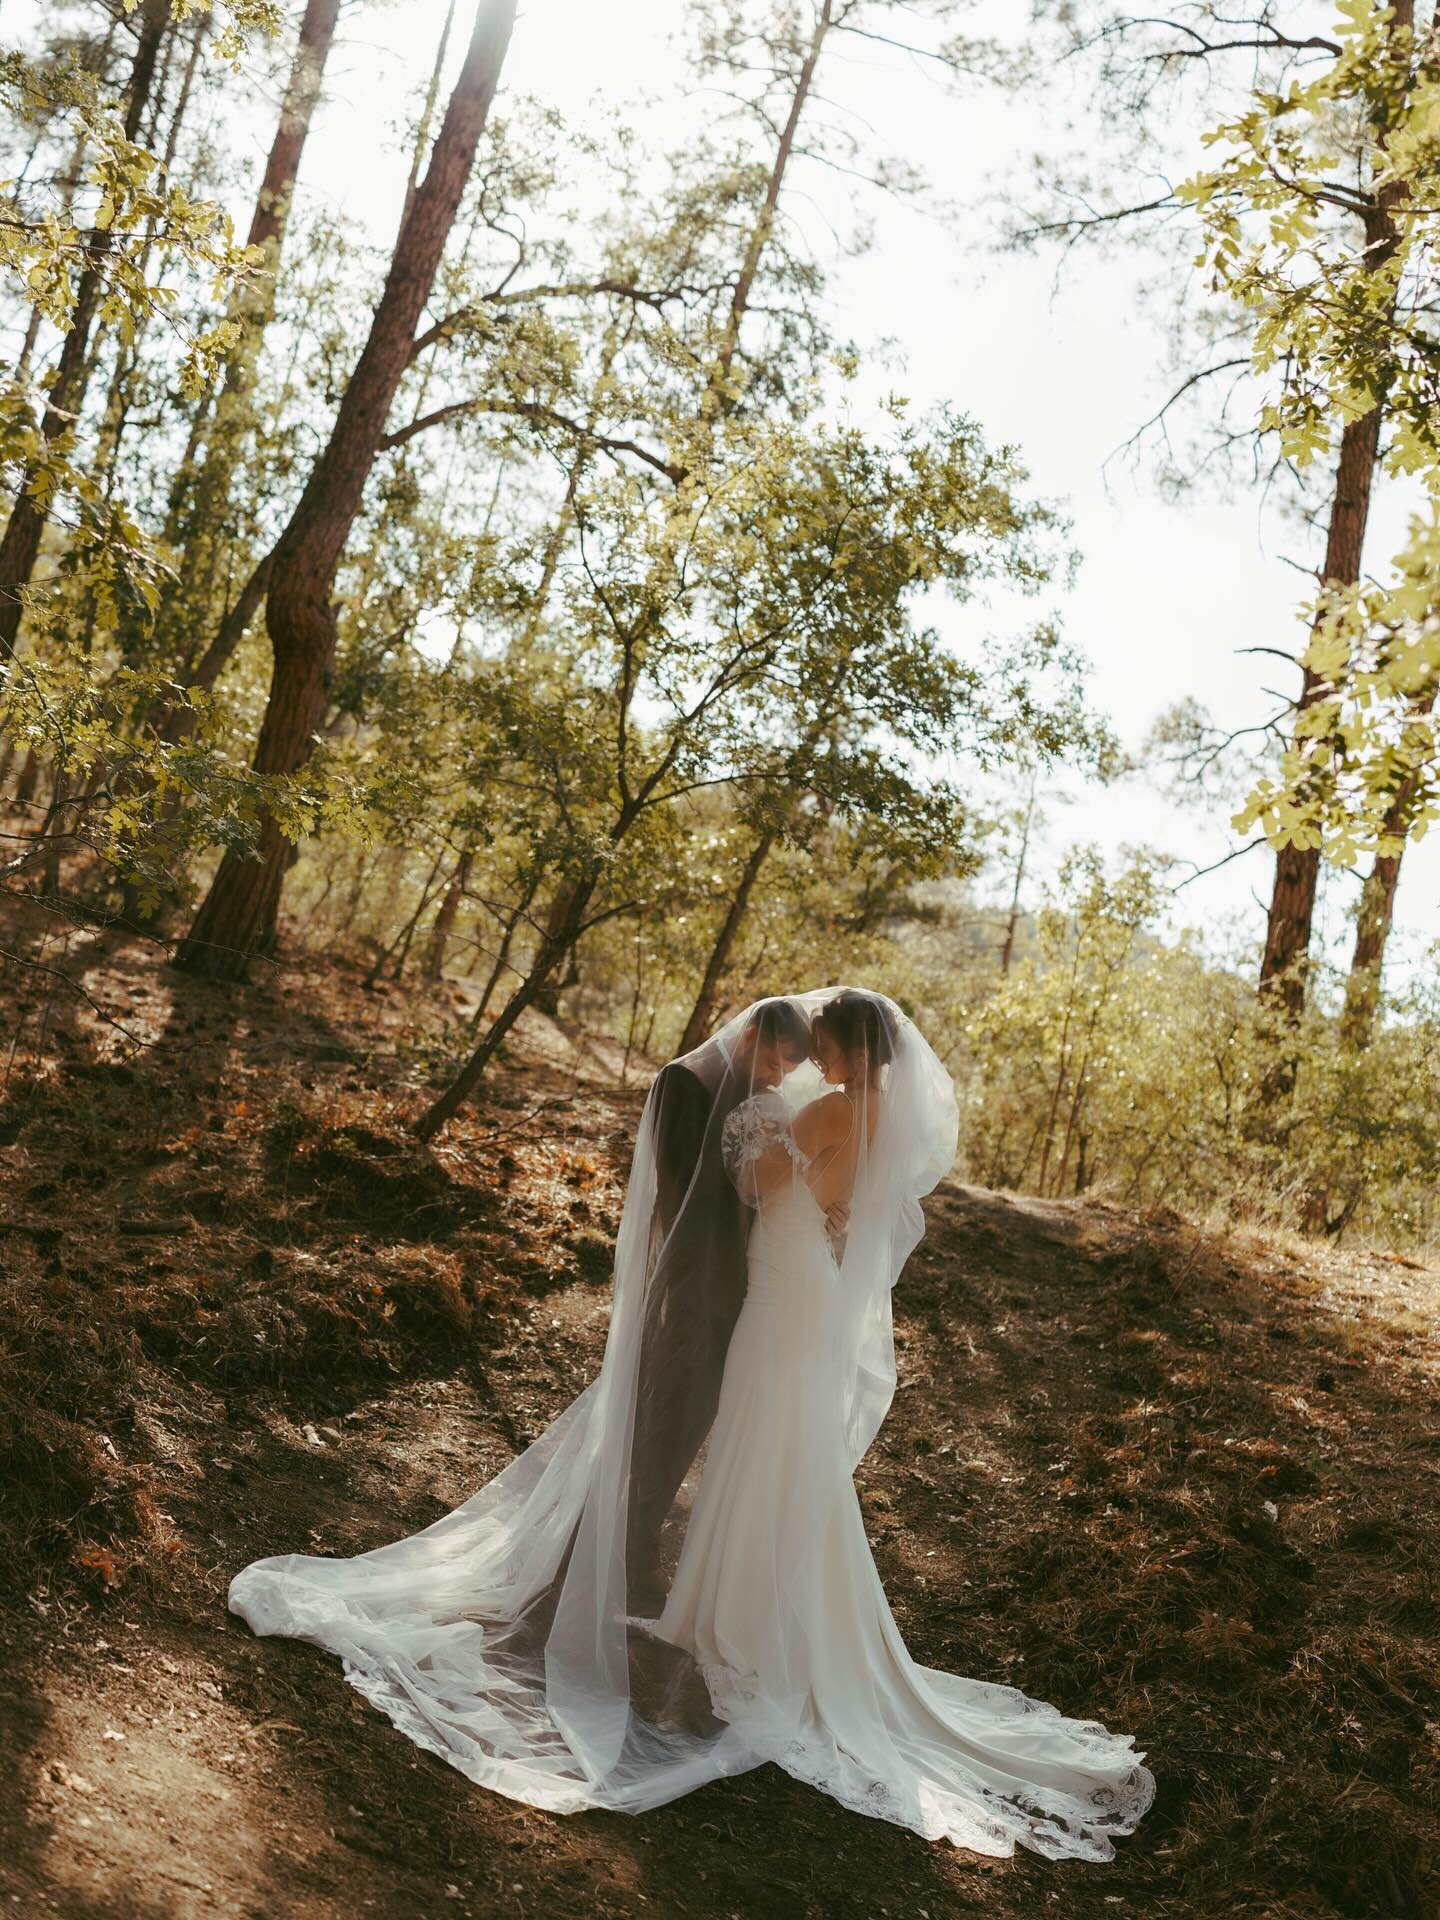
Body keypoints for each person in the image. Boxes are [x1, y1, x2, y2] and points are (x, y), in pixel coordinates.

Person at [228, 987, 1155, 1864]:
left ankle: (733, 1620)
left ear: (851, 1048)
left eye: (826, 1037)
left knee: (760, 1448)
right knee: (778, 1456)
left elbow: (758, 1183)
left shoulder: (832, 1111)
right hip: (801, 1293)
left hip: (776, 1295)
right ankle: (738, 1612)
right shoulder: (874, 1121)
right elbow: (836, 1206)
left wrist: (756, 1134)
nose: (815, 1051)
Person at [626, 996, 815, 1614]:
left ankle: (638, 1535)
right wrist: (758, 1194)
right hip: (696, 1274)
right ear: (751, 1031)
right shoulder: (684, 1080)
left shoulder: (750, 1092)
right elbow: (680, 1190)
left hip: (744, 1273)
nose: (775, 1075)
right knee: (673, 1404)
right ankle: (632, 1549)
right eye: (772, 1057)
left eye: (786, 1068)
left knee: (698, 1409)